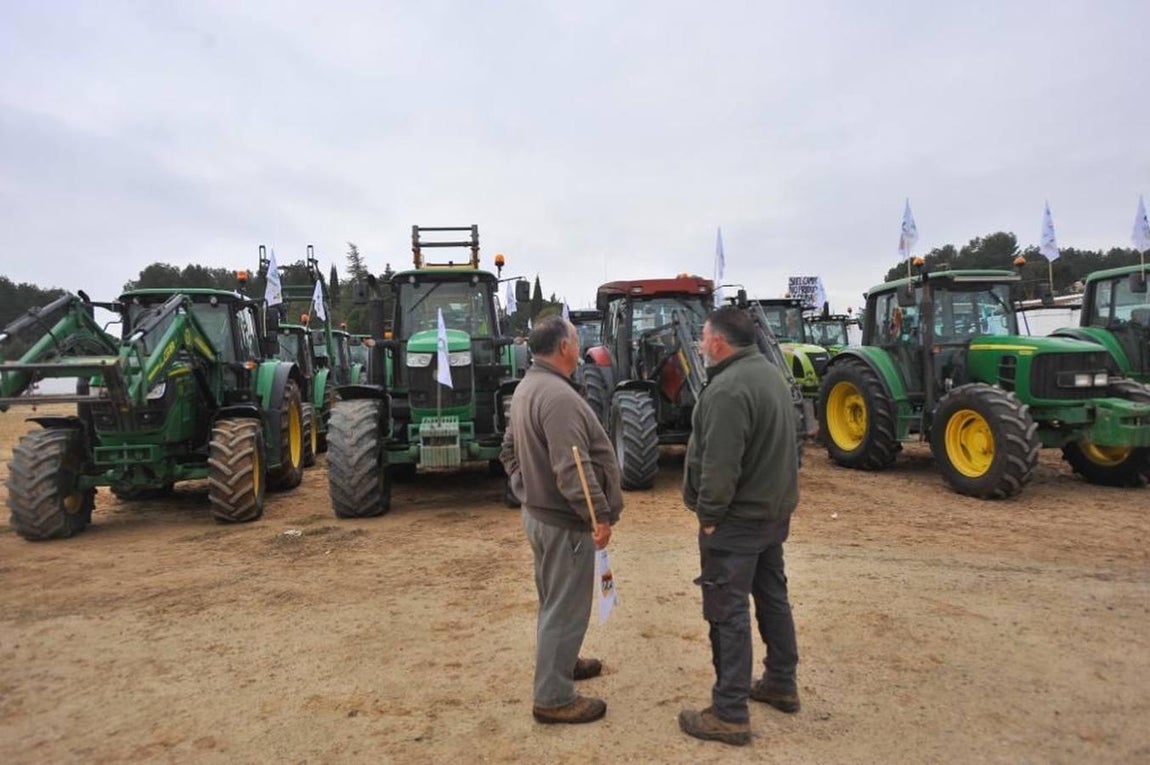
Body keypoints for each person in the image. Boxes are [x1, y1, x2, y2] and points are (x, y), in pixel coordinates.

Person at [679, 306, 801, 747]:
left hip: (736, 522)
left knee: (726, 613)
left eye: (703, 337)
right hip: (771, 514)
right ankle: (781, 682)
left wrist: (709, 516)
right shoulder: (768, 373)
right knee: (772, 596)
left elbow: (720, 466)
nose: (699, 345)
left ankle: (729, 712)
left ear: (718, 342)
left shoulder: (728, 389)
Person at [500, 315, 623, 725]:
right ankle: (552, 698)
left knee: (555, 601)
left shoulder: (528, 387)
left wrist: (525, 487)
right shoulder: (557, 396)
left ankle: (563, 663)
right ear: (565, 347)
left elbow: (508, 451)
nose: (579, 342)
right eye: (576, 338)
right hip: (562, 521)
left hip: (541, 514)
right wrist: (598, 516)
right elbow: (573, 467)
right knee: (565, 608)